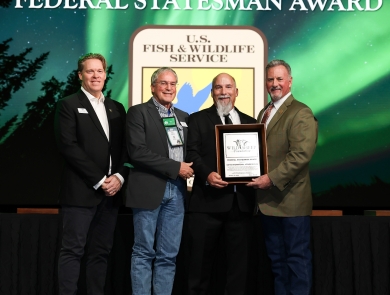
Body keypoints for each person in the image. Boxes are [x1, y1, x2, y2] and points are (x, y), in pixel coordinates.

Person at [54, 53, 129, 295]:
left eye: (100, 71)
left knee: (100, 252)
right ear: (80, 75)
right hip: (81, 193)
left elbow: (124, 148)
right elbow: (68, 147)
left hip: (111, 195)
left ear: (105, 75)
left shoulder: (116, 107)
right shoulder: (67, 104)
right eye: (90, 71)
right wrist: (99, 180)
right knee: (72, 251)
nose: (95, 76)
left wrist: (118, 177)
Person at [247, 59, 317, 295]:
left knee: (297, 262)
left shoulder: (301, 112)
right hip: (268, 203)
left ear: (290, 81)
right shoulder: (264, 112)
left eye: (279, 79)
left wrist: (271, 179)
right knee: (277, 264)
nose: (274, 84)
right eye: (270, 79)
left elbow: (300, 155)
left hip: (291, 202)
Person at [186, 73, 256, 295]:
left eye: (228, 87)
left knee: (238, 270)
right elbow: (191, 153)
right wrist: (207, 175)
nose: (223, 92)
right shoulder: (197, 119)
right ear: (212, 93)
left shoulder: (251, 122)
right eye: (218, 87)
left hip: (240, 205)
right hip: (206, 204)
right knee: (199, 267)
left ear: (236, 92)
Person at [125, 67, 194, 295]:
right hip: (148, 189)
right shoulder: (138, 113)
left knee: (169, 255)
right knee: (144, 252)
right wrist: (176, 167)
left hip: (177, 193)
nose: (168, 88)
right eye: (163, 83)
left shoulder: (183, 117)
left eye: (173, 84)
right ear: (153, 86)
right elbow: (137, 152)